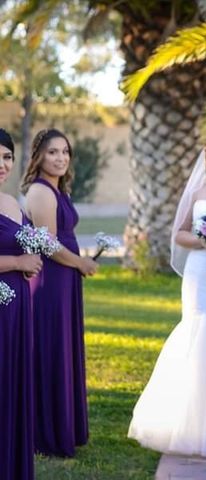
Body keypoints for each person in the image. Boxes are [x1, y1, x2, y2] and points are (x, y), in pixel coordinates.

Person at [128, 131, 206, 457]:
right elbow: (179, 234)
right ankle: (188, 421)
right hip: (202, 275)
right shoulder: (199, 192)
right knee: (198, 334)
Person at [22, 128, 99, 457]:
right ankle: (47, 432)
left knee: (64, 349)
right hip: (52, 281)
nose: (60, 158)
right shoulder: (40, 192)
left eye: (65, 152)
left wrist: (78, 265)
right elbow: (46, 244)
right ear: (39, 156)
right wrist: (80, 263)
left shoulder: (57, 189)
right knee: (53, 349)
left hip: (65, 280)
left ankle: (65, 426)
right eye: (53, 152)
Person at [0, 129, 42, 479]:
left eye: (7, 157)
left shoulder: (13, 202)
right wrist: (17, 264)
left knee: (13, 378)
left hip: (17, 309)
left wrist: (31, 258)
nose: (2, 164)